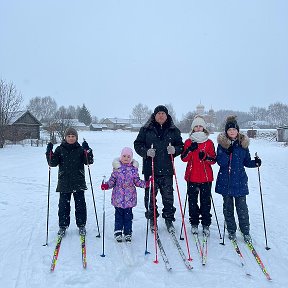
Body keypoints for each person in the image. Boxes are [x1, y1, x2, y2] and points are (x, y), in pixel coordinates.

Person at [134, 105, 183, 232]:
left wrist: (175, 150)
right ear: (154, 115)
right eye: (159, 113)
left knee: (168, 197)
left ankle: (168, 219)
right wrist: (145, 152)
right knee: (150, 196)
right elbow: (137, 144)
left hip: (167, 169)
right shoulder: (146, 129)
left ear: (167, 116)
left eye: (163, 113)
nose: (161, 115)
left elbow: (180, 146)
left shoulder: (174, 130)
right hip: (150, 169)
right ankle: (152, 219)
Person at [215, 115, 262, 243]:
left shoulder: (243, 145)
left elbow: (246, 162)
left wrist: (255, 163)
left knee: (242, 208)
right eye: (229, 130)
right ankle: (231, 230)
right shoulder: (222, 146)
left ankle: (245, 231)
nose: (232, 132)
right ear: (226, 131)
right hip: (226, 181)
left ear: (238, 131)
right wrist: (227, 152)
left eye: (234, 130)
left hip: (240, 181)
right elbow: (221, 163)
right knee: (228, 208)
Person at [45, 127, 93, 237]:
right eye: (69, 136)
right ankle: (63, 226)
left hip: (78, 182)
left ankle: (81, 225)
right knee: (63, 206)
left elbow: (88, 161)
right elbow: (52, 163)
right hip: (64, 182)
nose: (71, 138)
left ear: (76, 138)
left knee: (80, 205)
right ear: (65, 137)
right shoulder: (60, 149)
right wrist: (49, 152)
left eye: (73, 136)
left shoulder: (80, 149)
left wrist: (88, 150)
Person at [100, 147, 149, 242]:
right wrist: (106, 185)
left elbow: (137, 181)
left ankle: (128, 233)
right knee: (118, 216)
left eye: (128, 156)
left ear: (131, 158)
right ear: (121, 156)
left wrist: (146, 184)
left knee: (128, 217)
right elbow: (112, 181)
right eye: (124, 156)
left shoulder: (134, 169)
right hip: (118, 198)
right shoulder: (117, 168)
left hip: (129, 198)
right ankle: (118, 232)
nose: (126, 158)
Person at [181, 115, 216, 237]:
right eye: (196, 126)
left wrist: (206, 157)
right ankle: (194, 223)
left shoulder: (209, 142)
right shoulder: (188, 142)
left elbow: (213, 160)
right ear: (193, 128)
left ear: (204, 128)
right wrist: (190, 149)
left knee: (205, 201)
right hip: (192, 177)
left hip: (206, 177)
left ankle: (206, 224)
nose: (198, 128)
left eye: (200, 126)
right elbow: (184, 159)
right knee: (192, 201)